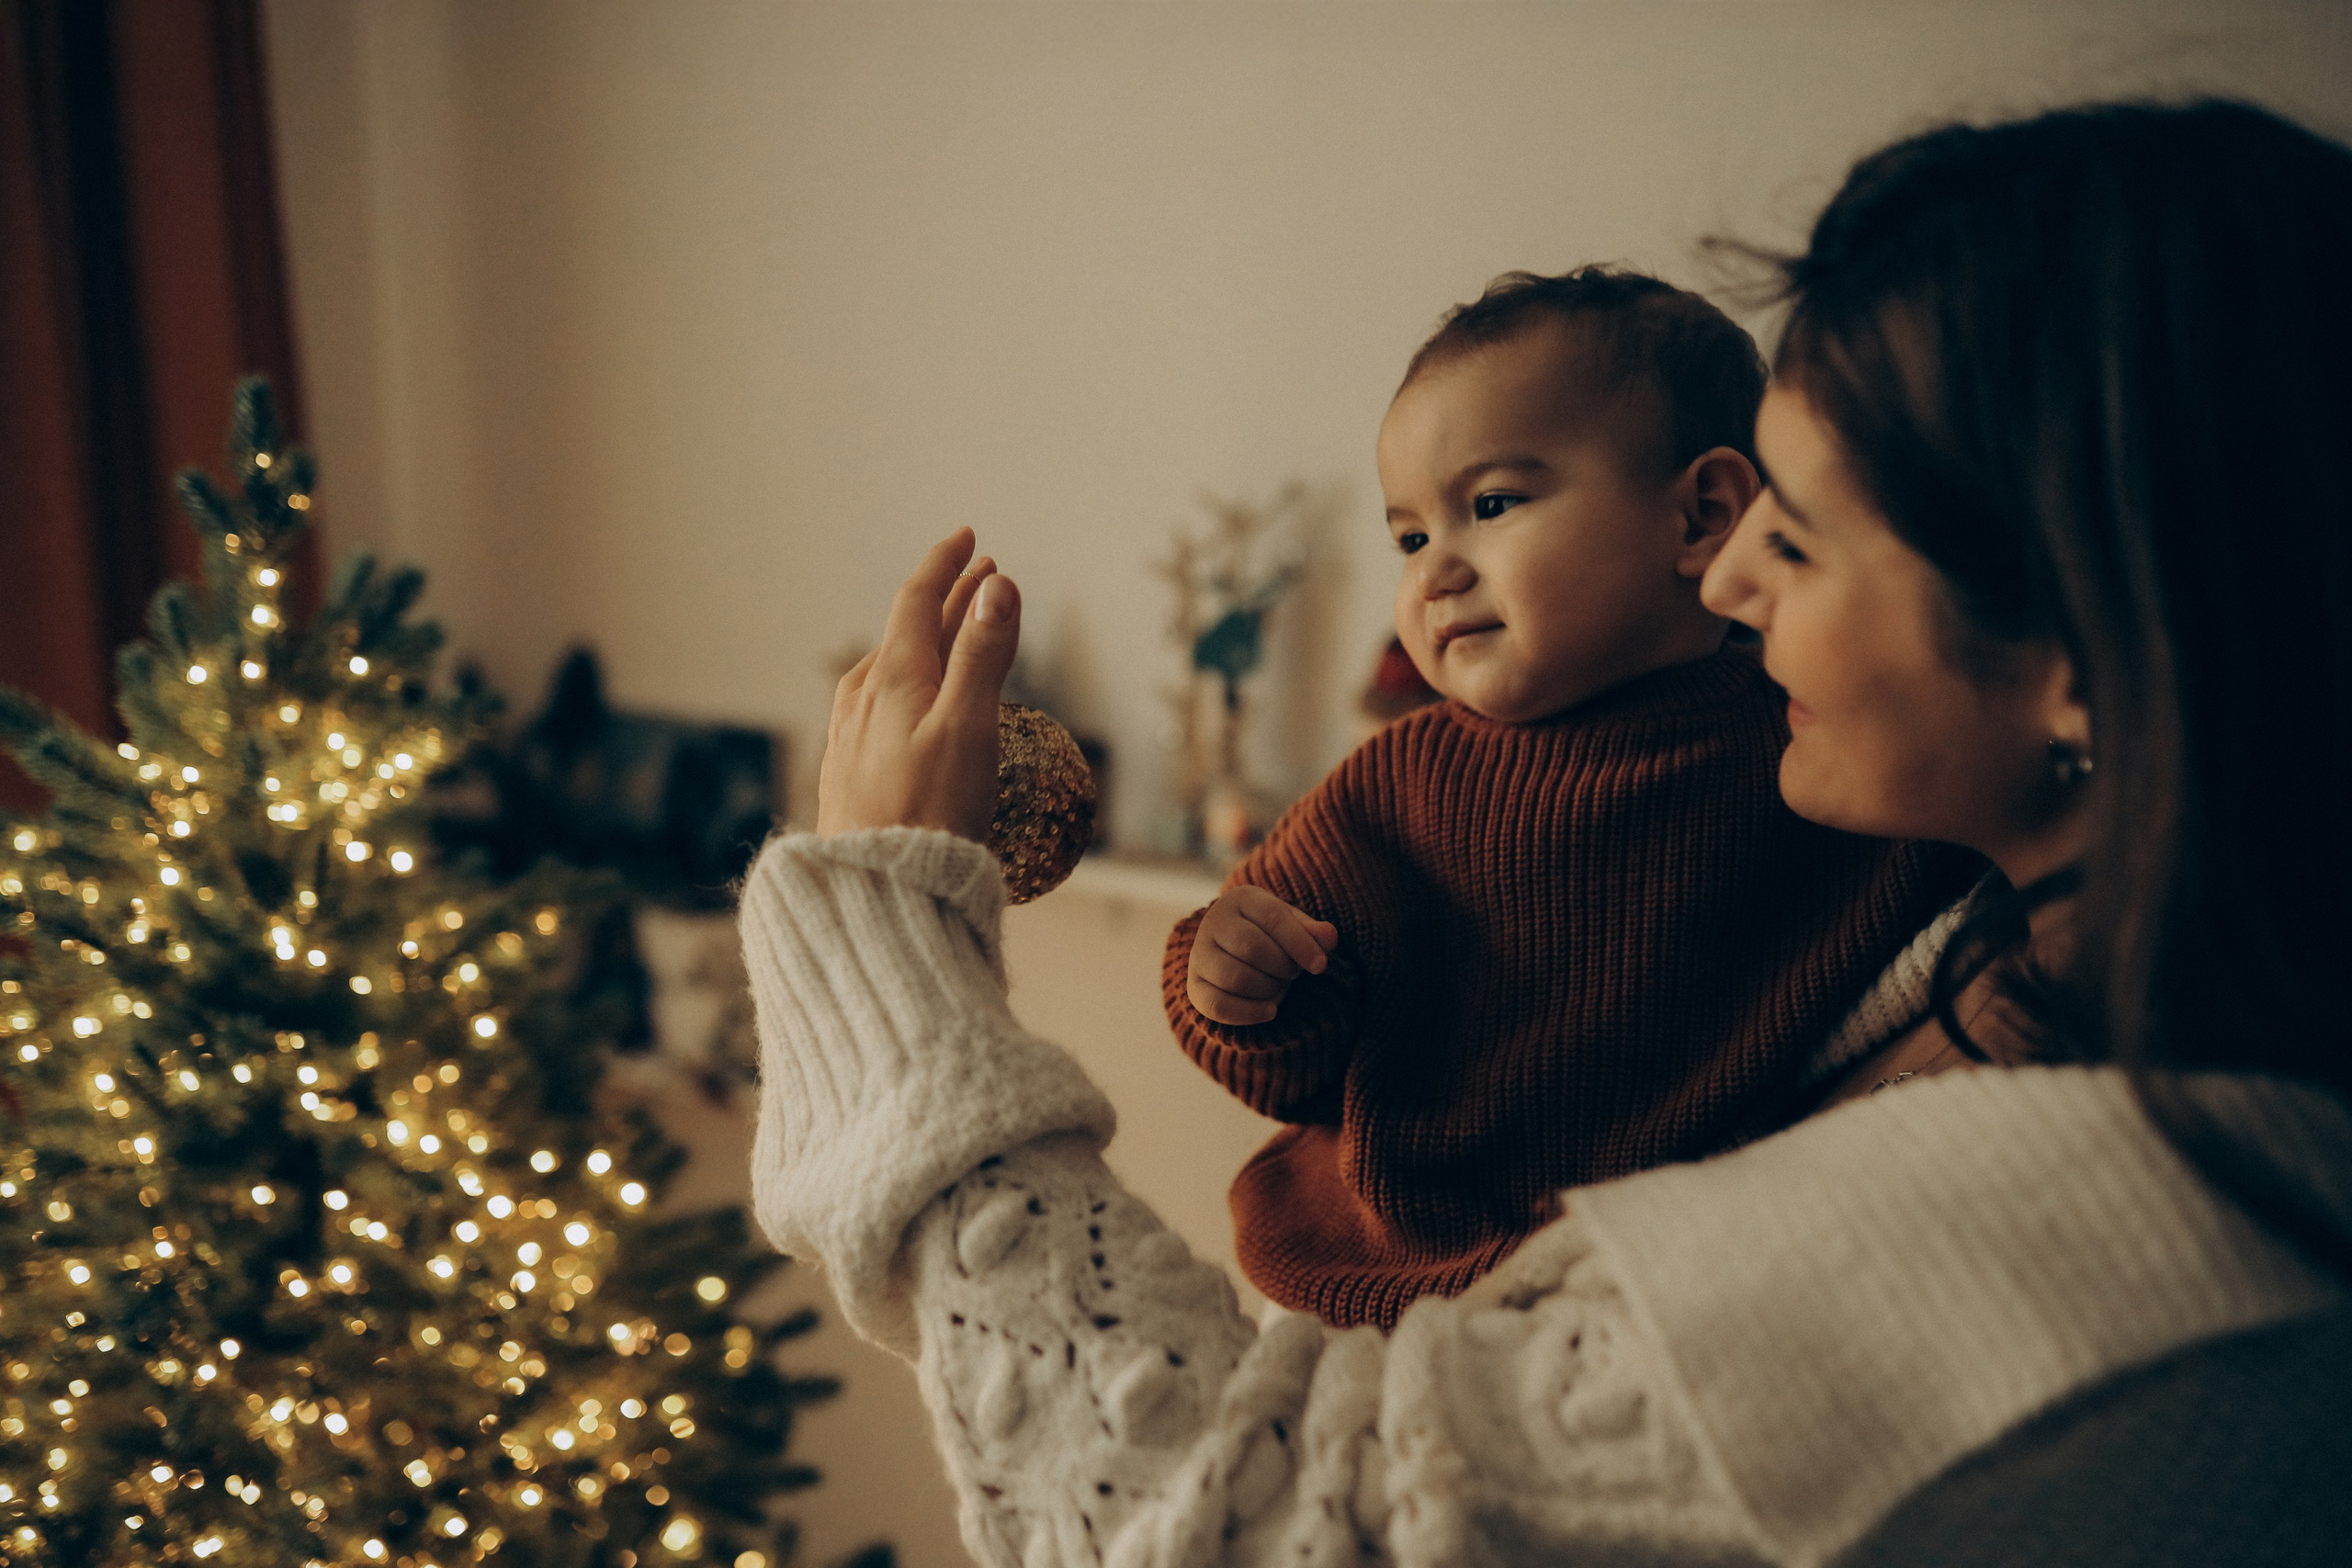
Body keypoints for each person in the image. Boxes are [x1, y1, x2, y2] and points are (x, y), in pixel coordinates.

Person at [742, 99, 2352, 1565]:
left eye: (1794, 537)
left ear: (2085, 648)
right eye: (1409, 532)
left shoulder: (2073, 1206)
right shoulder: (2045, 976)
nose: (1734, 581)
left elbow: (1216, 1530)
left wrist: (885, 943)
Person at [1161, 268, 1970, 1329]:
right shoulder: (1396, 784)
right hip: (1370, 1288)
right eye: (1409, 538)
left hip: (1643, 1297)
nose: (1434, 573)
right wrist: (1237, 987)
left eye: (1491, 505)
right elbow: (1293, 1055)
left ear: (1702, 516)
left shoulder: (1819, 749)